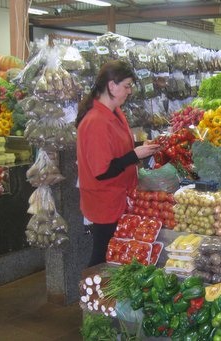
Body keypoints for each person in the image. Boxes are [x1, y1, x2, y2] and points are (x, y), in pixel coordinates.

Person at [76, 60, 160, 266]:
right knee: (102, 255)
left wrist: (143, 147)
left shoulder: (115, 112)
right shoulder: (96, 121)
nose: (129, 91)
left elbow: (119, 148)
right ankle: (91, 294)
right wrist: (135, 155)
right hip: (105, 202)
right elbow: (102, 171)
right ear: (112, 86)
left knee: (113, 255)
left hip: (120, 197)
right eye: (127, 86)